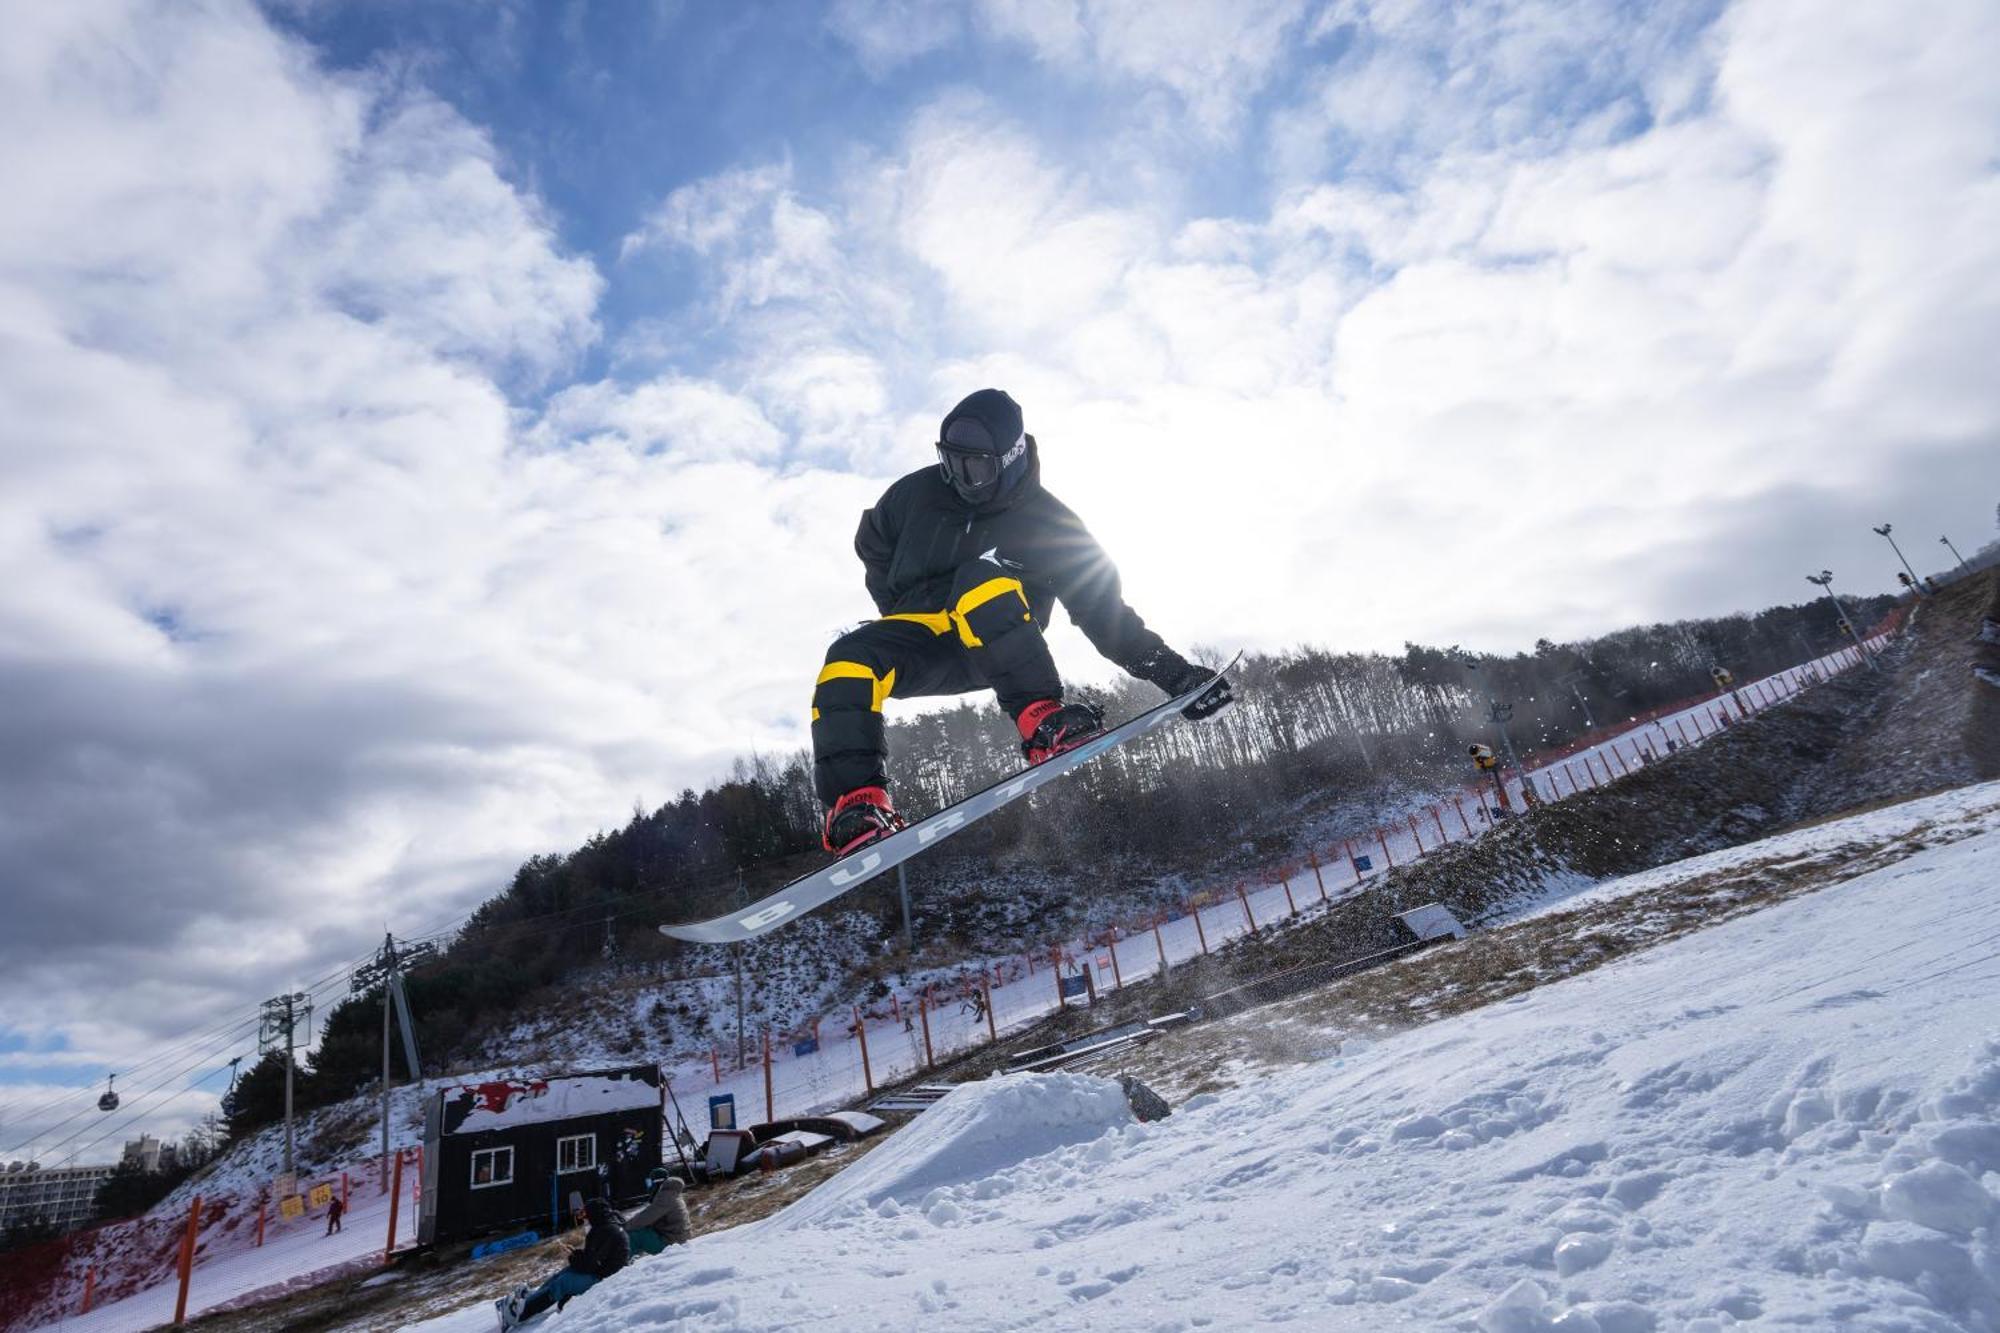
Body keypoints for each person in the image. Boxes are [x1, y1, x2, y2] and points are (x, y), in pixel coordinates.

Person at [813, 388, 1232, 854]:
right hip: (926, 638)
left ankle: (1040, 718)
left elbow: (1104, 613)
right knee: (847, 656)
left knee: (981, 580)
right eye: (949, 462)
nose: (958, 478)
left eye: (974, 466)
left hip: (1000, 642)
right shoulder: (913, 495)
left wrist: (1177, 677)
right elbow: (872, 541)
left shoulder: (1051, 525)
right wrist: (896, 602)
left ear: (1009, 459)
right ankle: (858, 804)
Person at [498, 1197, 628, 1327]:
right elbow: (594, 1258)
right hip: (601, 1271)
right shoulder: (606, 1227)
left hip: (605, 1278)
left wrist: (572, 1257)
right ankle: (533, 1298)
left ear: (595, 1214)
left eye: (586, 1214)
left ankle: (522, 1313)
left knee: (564, 1282)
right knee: (562, 1273)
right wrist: (575, 1253)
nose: (585, 1218)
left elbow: (589, 1266)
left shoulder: (605, 1230)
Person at [624, 1171, 692, 1255]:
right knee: (643, 1230)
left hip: (671, 1243)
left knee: (634, 1235)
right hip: (678, 1239)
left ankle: (622, 1264)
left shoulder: (666, 1197)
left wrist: (625, 1226)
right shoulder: (674, 1195)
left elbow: (646, 1217)